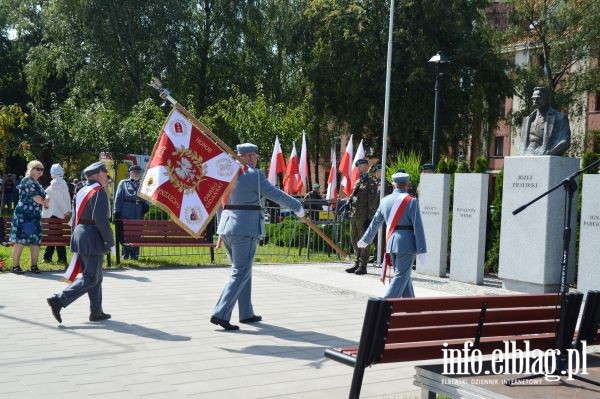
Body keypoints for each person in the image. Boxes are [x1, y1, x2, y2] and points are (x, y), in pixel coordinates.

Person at [211, 143, 304, 331]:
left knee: (245, 269)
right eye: (254, 155)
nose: (256, 159)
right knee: (241, 271)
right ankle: (220, 313)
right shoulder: (253, 175)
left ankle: (246, 312)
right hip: (245, 227)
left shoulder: (226, 172)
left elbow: (219, 202)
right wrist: (297, 206)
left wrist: (221, 228)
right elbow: (274, 194)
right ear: (248, 156)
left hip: (228, 227)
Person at [46, 161, 114, 323]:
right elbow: (102, 221)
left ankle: (96, 311)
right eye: (105, 174)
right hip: (91, 236)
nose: (107, 177)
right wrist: (110, 242)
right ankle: (59, 300)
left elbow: (77, 216)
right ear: (98, 174)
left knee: (95, 276)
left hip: (81, 234)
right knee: (91, 277)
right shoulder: (98, 192)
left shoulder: (82, 190)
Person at [357, 172, 426, 298]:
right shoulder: (412, 201)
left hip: (391, 242)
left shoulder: (385, 201)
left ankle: (411, 309)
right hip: (406, 244)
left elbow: (375, 223)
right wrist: (421, 249)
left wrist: (366, 239)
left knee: (404, 277)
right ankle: (384, 306)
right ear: (407, 184)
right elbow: (418, 226)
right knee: (401, 276)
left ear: (394, 185)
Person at [8, 161, 50, 274]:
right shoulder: (27, 180)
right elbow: (35, 197)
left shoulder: (36, 182)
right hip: (24, 215)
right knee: (20, 240)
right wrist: (45, 203)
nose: (40, 171)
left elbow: (44, 195)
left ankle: (34, 266)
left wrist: (46, 199)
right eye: (38, 169)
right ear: (31, 169)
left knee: (35, 241)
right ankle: (15, 266)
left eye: (42, 169)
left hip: (35, 215)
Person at [345, 159, 378, 275]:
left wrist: (370, 219)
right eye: (358, 167)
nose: (358, 169)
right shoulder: (358, 181)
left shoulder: (371, 182)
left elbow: (373, 203)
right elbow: (353, 197)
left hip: (364, 217)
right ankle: (356, 262)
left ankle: (363, 265)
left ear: (366, 167)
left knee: (363, 241)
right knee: (354, 240)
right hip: (354, 215)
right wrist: (348, 203)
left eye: (360, 166)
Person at [519, 86, 571, 156]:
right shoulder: (527, 119)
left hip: (544, 151)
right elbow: (521, 142)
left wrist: (549, 151)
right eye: (533, 99)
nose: (535, 101)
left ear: (547, 99)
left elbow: (565, 141)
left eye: (538, 98)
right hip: (528, 151)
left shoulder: (560, 118)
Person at [113, 165, 147, 260]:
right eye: (134, 172)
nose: (136, 174)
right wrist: (116, 211)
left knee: (137, 232)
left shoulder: (143, 184)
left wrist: (146, 205)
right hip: (126, 210)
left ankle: (135, 254)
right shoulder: (123, 183)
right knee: (126, 233)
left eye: (138, 172)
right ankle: (125, 254)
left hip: (138, 211)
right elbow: (118, 198)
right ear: (130, 173)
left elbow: (147, 197)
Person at [42, 164, 72, 265]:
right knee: (56, 236)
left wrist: (66, 211)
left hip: (54, 214)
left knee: (54, 236)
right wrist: (68, 210)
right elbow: (67, 198)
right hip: (60, 214)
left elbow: (60, 200)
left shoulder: (55, 183)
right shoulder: (63, 182)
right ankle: (56, 258)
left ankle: (53, 258)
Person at [369, 163, 393, 264]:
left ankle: (382, 256)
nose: (377, 173)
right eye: (376, 172)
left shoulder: (386, 185)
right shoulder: (373, 183)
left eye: (379, 172)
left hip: (382, 215)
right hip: (373, 213)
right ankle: (376, 255)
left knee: (381, 236)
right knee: (374, 236)